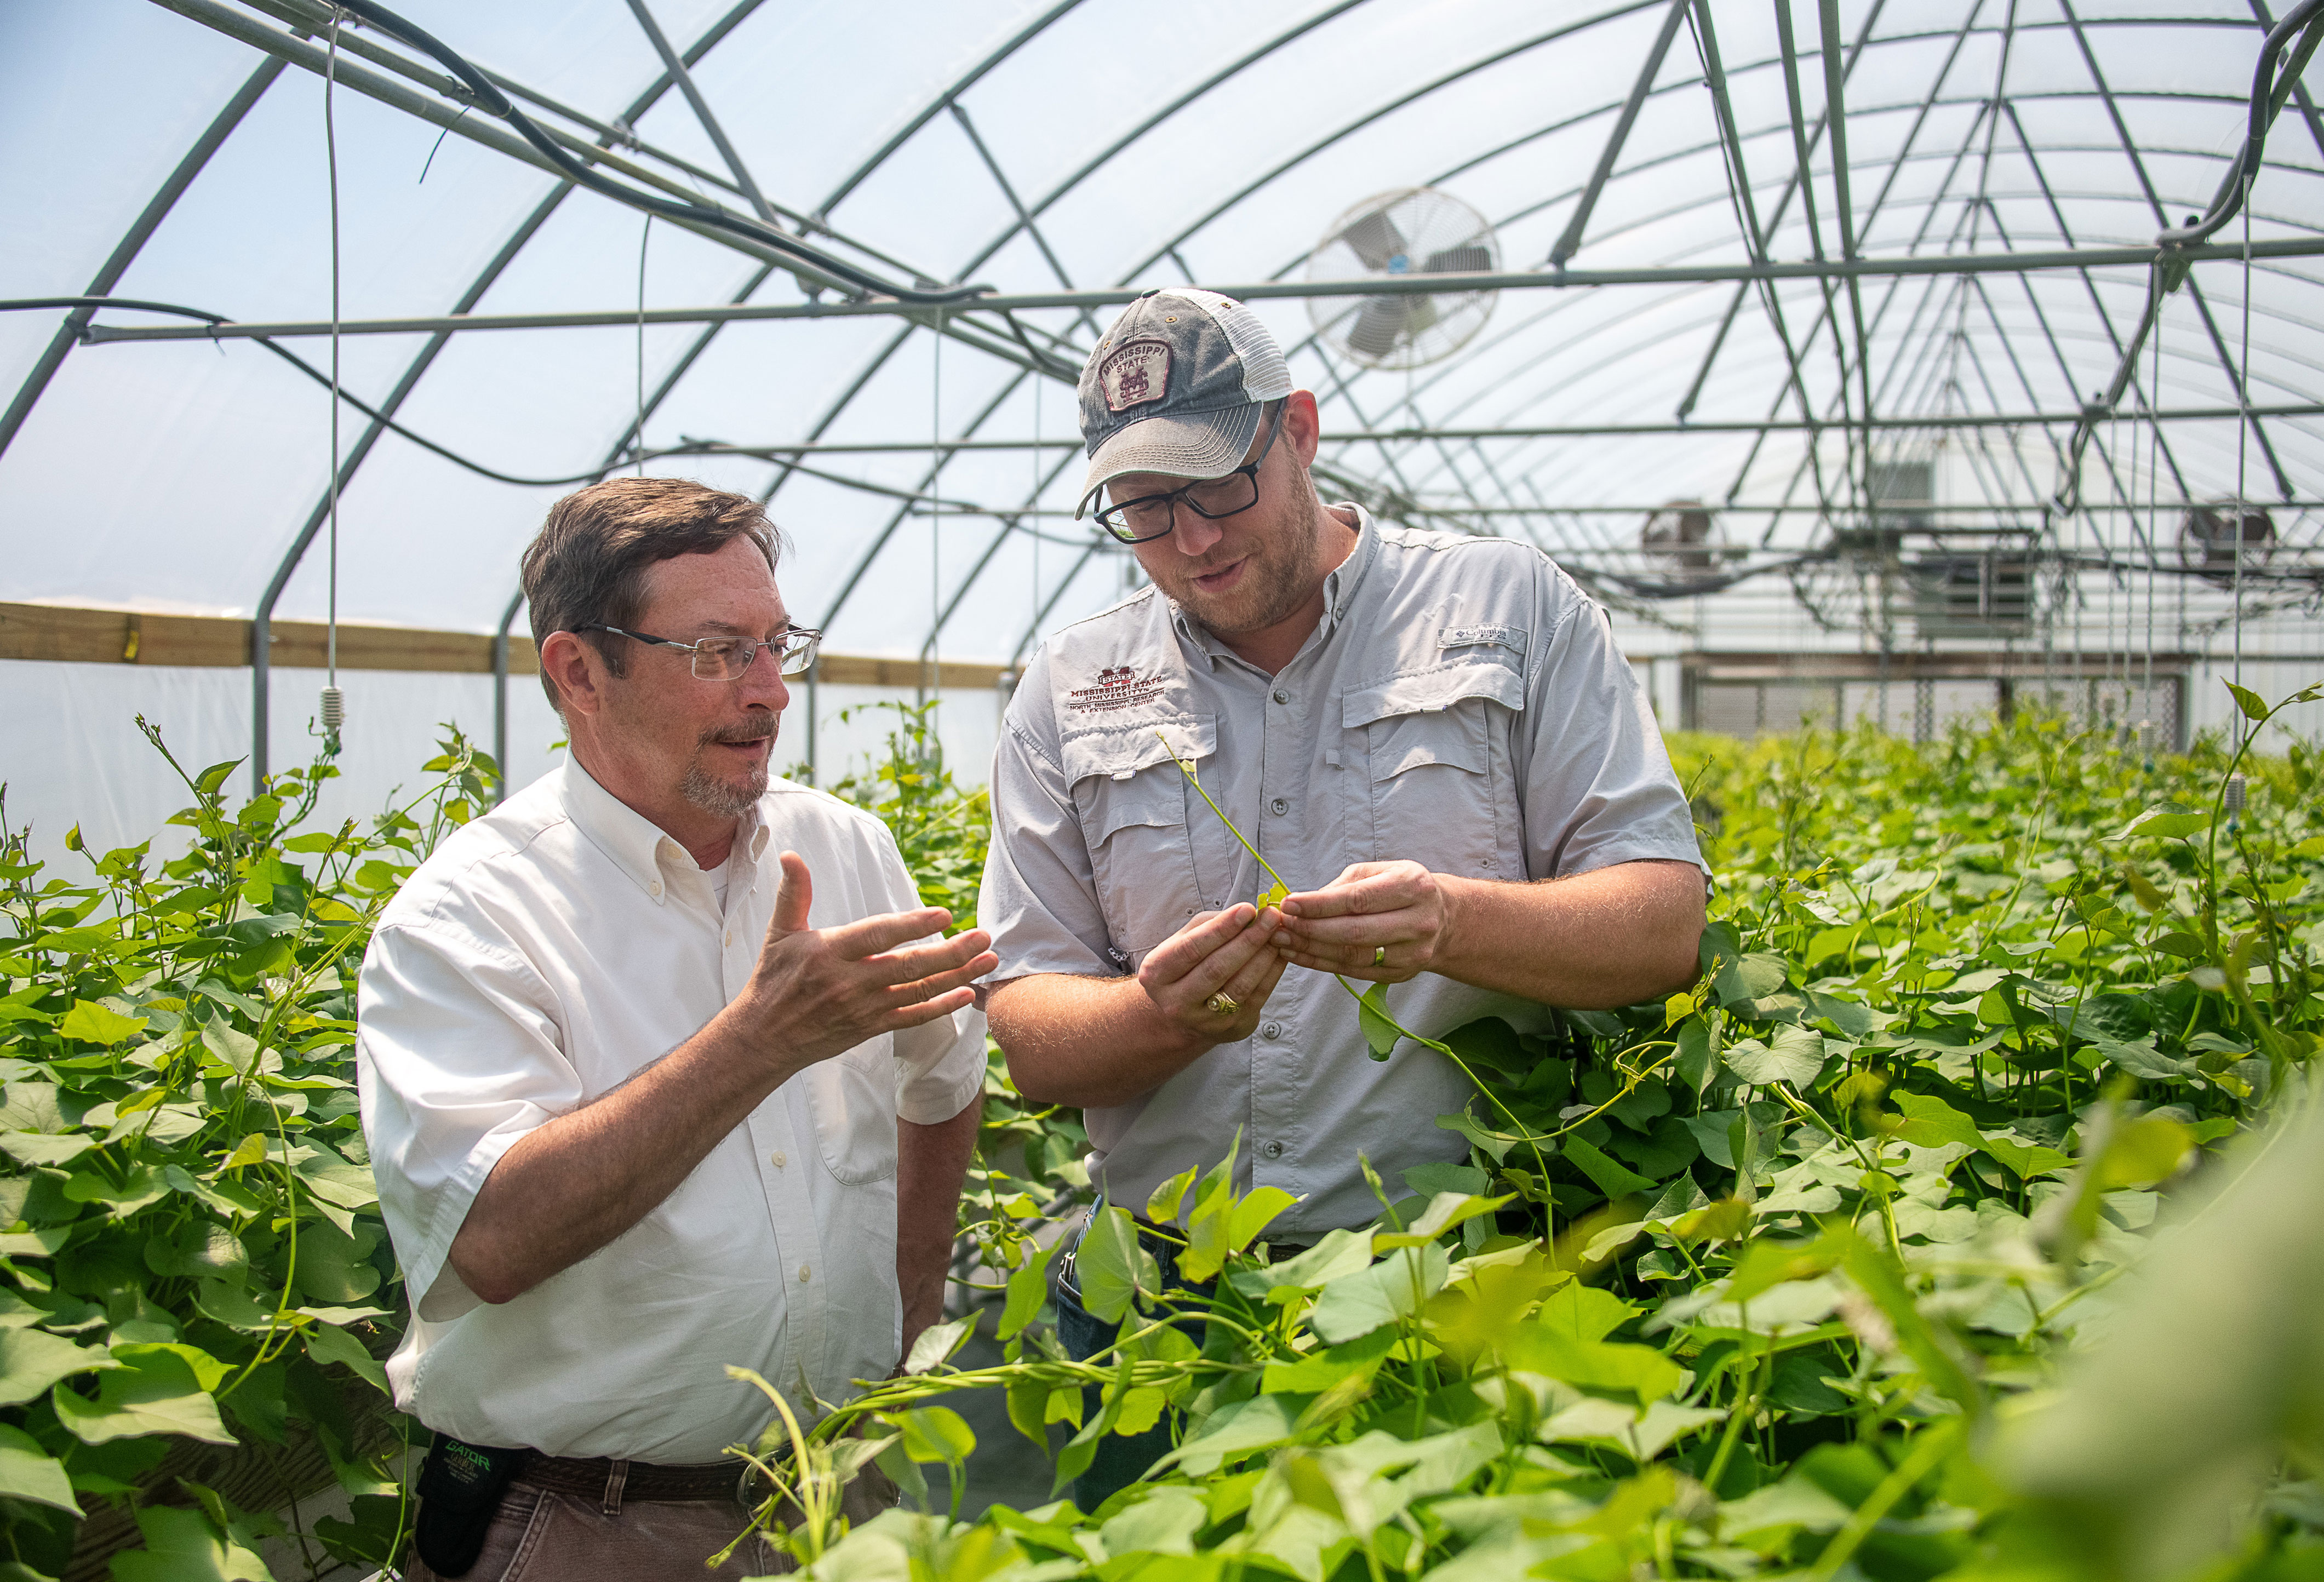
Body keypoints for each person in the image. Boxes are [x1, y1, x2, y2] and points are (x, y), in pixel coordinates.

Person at [977, 288, 1709, 1509]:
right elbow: (1029, 1032)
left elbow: (1661, 922)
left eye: (1216, 487)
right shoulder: (1073, 685)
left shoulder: (1509, 610)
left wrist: (1455, 923)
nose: (1191, 541)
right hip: (1159, 1304)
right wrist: (1161, 1015)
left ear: (1299, 432)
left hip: (1447, 1277)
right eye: (1143, 509)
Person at [357, 478, 997, 1578]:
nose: (769, 692)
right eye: (716, 652)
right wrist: (758, 1042)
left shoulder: (842, 849)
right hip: (585, 1523)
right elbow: (490, 1237)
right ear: (579, 671)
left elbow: (942, 1080)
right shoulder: (471, 917)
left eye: (776, 644)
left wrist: (908, 1324)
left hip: (833, 1495)